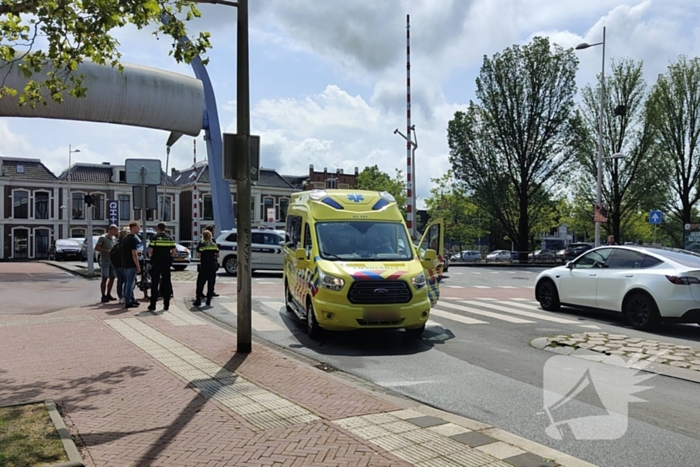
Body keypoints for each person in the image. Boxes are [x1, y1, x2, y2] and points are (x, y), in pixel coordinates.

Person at [148, 222, 176, 311]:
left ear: (158, 229)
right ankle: (166, 304)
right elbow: (174, 251)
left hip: (156, 263)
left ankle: (153, 304)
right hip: (166, 263)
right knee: (166, 283)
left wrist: (152, 256)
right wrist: (169, 257)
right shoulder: (169, 239)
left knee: (155, 283)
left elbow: (150, 251)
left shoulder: (155, 238)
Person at [194, 230, 219, 307]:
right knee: (211, 283)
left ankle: (198, 300)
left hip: (204, 266)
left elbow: (199, 255)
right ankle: (208, 301)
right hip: (212, 266)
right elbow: (217, 255)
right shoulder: (214, 245)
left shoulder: (202, 246)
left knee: (200, 283)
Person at [96, 225, 119, 303]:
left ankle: (108, 294)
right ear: (111, 230)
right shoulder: (102, 237)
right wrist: (107, 251)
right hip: (105, 260)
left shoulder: (114, 238)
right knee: (104, 278)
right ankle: (103, 295)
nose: (117, 232)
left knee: (112, 278)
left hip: (112, 261)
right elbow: (97, 248)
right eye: (116, 230)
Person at [122, 221, 141, 309]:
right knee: (130, 283)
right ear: (133, 228)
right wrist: (138, 265)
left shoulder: (125, 238)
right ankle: (128, 301)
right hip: (131, 263)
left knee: (128, 281)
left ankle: (132, 299)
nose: (139, 229)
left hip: (125, 262)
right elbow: (134, 253)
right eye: (138, 227)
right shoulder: (133, 239)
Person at [110, 228, 128, 304]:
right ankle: (124, 296)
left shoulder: (116, 244)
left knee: (120, 281)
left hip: (116, 265)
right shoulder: (125, 245)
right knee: (127, 281)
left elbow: (112, 254)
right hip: (124, 265)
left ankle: (120, 296)